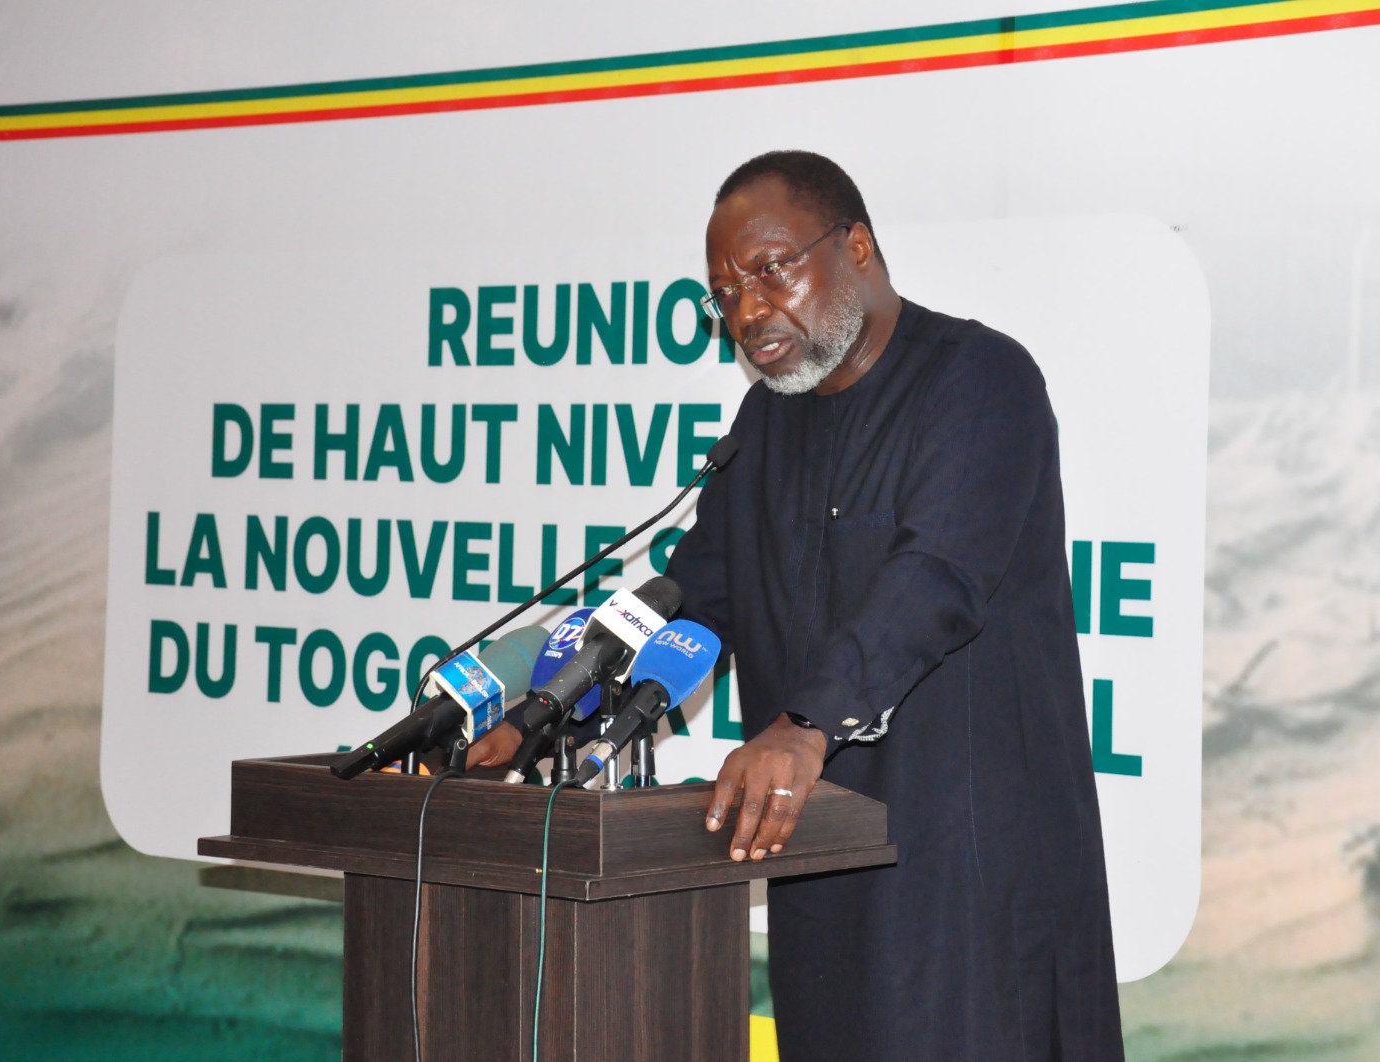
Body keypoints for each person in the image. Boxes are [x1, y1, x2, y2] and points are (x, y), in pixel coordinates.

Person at [471, 150, 1123, 1060]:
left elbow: (936, 579)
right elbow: (695, 596)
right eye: (724, 294)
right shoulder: (765, 425)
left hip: (970, 881)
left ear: (856, 246)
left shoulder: (981, 380)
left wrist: (804, 725)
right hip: (819, 873)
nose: (745, 312)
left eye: (770, 270)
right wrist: (547, 713)